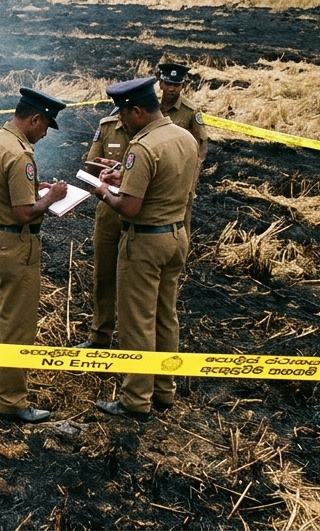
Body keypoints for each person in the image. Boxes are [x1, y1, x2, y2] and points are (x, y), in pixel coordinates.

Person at [85, 77, 197, 420]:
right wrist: (126, 180)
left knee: (137, 320)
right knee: (166, 316)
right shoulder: (184, 137)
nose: (121, 121)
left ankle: (135, 399)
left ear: (137, 111)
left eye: (124, 114)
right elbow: (166, 182)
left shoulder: (143, 146)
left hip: (144, 243)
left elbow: (130, 207)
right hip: (176, 236)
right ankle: (164, 390)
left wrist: (103, 190)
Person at [0, 87, 69, 424]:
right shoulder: (20, 155)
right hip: (15, 244)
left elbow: (1, 189)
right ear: (34, 118)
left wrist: (35, 190)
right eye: (45, 127)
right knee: (17, 323)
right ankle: (12, 400)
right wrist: (53, 195)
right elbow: (25, 213)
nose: (44, 134)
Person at [78, 107, 131, 350]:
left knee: (136, 283)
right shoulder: (108, 126)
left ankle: (134, 345)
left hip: (140, 215)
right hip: (109, 211)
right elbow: (91, 165)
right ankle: (100, 337)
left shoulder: (157, 131)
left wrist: (125, 173)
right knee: (104, 275)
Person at [156, 62, 210, 237]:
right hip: (155, 170)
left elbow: (201, 148)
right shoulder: (151, 108)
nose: (172, 89)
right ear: (160, 84)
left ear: (182, 86)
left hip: (180, 173)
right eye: (168, 84)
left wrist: (191, 181)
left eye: (176, 85)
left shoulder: (190, 111)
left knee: (181, 224)